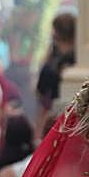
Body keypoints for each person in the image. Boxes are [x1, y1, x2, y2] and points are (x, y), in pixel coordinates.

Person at [33, 12, 76, 140]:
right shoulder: (81, 61)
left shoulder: (50, 66)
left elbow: (43, 101)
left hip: (55, 119)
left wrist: (38, 134)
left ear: (55, 34)